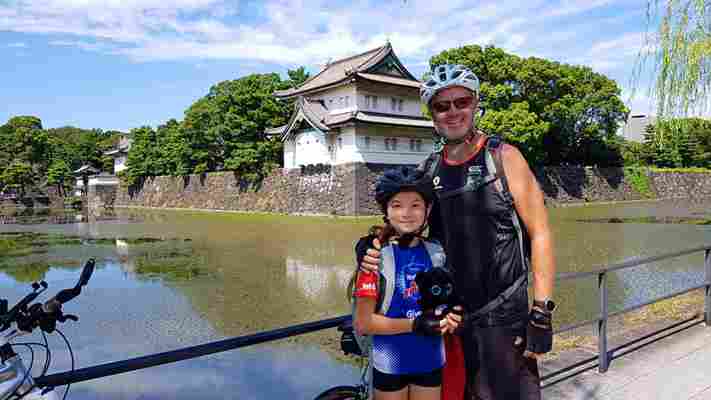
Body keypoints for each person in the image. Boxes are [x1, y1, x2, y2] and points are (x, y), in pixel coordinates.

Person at [360, 64, 557, 400]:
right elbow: (410, 229)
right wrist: (372, 244)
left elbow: (540, 233)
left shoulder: (503, 158)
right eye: (441, 105)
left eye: (461, 102)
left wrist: (541, 311)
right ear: (432, 115)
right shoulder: (429, 170)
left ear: (475, 104)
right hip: (449, 317)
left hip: (503, 314)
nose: (452, 112)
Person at [352, 166, 462, 400]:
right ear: (386, 211)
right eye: (397, 205)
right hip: (390, 361)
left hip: (430, 359)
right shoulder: (374, 256)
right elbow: (363, 323)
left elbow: (447, 302)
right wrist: (416, 325)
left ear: (427, 209)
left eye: (415, 205)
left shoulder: (437, 253)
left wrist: (452, 316)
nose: (406, 213)